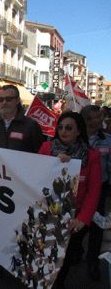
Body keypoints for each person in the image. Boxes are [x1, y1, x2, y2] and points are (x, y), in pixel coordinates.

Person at [0, 84, 44, 282]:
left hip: (22, 188)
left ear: (17, 101)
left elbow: (42, 156)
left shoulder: (31, 126)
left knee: (22, 228)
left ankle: (23, 266)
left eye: (8, 99)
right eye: (1, 99)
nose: (4, 103)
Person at [38, 112, 102, 288]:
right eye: (60, 127)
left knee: (64, 258)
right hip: (48, 212)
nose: (63, 131)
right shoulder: (46, 148)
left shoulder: (92, 155)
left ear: (78, 131)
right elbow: (35, 176)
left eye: (68, 128)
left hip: (74, 219)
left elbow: (94, 190)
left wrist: (83, 219)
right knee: (45, 252)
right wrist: (54, 163)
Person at [80, 105, 111, 280]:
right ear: (85, 120)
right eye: (93, 117)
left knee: (97, 228)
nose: (98, 120)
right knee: (78, 224)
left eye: (99, 116)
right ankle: (76, 252)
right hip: (78, 190)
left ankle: (92, 262)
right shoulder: (76, 138)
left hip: (100, 189)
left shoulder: (108, 140)